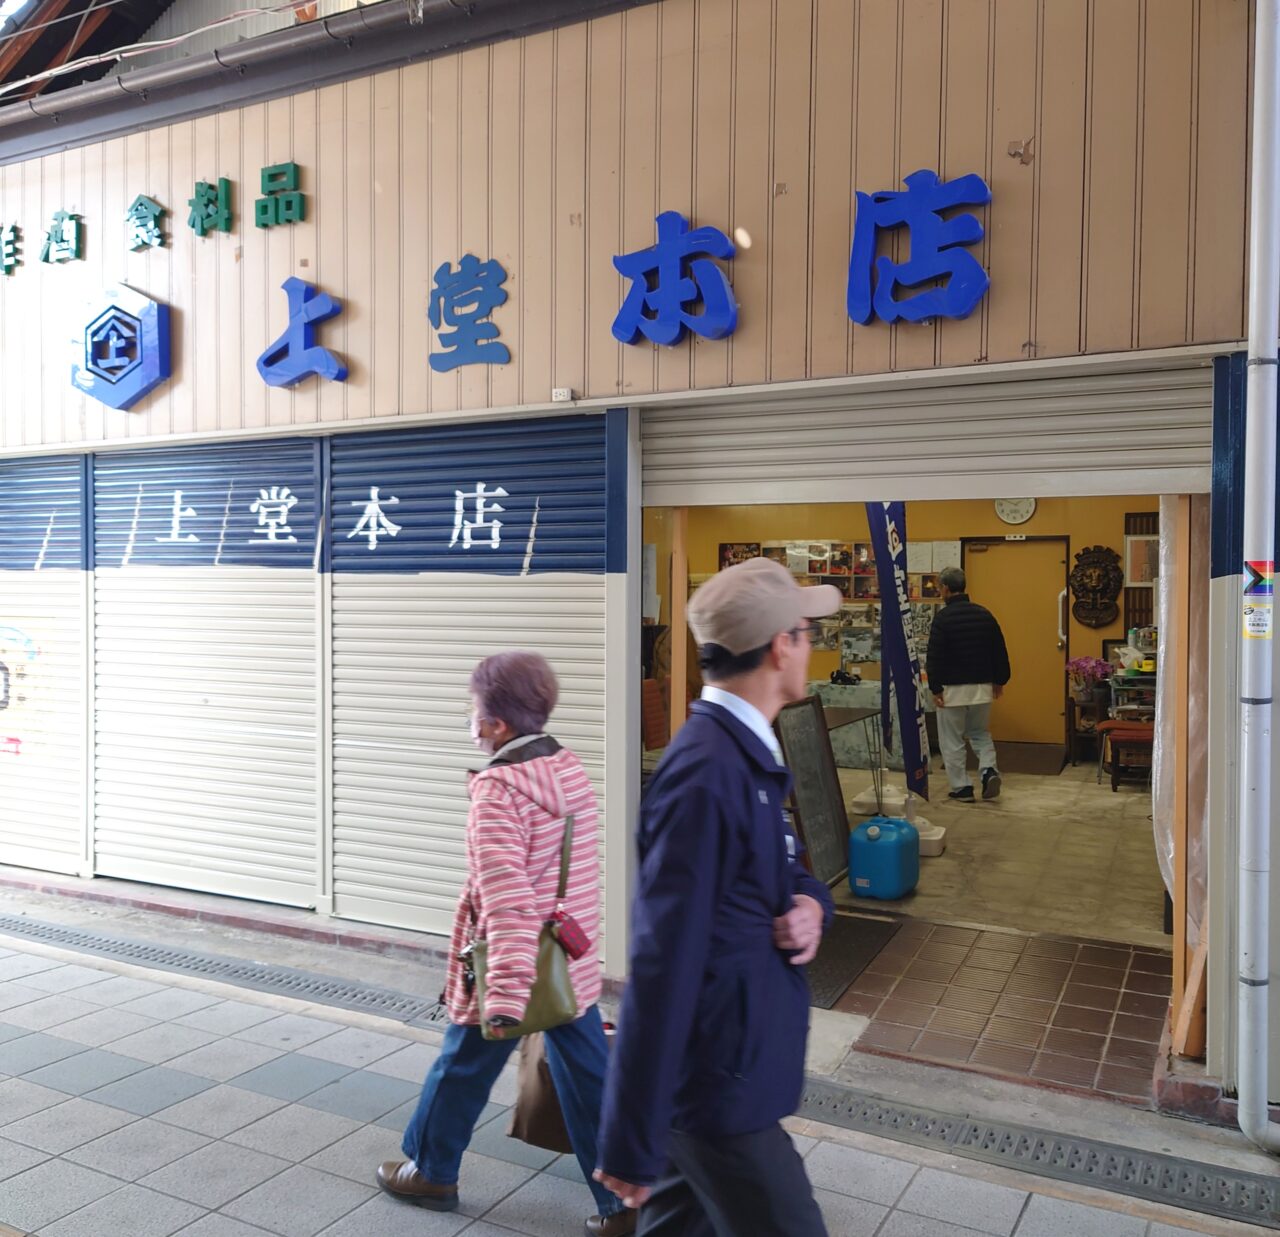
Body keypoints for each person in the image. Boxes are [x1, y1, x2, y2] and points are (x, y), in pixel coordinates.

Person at [594, 557, 838, 1237]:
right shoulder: (706, 773)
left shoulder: (746, 754)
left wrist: (812, 902)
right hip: (720, 1087)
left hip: (730, 1066)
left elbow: (777, 870)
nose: (811, 646)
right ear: (780, 644)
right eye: (806, 631)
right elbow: (661, 962)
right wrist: (629, 1135)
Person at [376, 651, 634, 1237]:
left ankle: (433, 1171)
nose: (469, 721)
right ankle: (629, 1199)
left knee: (462, 1062)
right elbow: (570, 873)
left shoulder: (498, 792)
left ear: (495, 724)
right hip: (569, 955)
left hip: (512, 966)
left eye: (473, 710)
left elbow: (510, 898)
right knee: (590, 1074)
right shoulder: (565, 768)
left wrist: (507, 995)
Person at [925, 565, 1011, 803]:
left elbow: (935, 656)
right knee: (980, 733)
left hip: (952, 690)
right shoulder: (985, 614)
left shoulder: (943, 619)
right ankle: (989, 770)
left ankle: (961, 787)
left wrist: (935, 688)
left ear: (944, 588)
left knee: (952, 739)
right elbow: (999, 650)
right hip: (982, 688)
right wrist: (1000, 680)